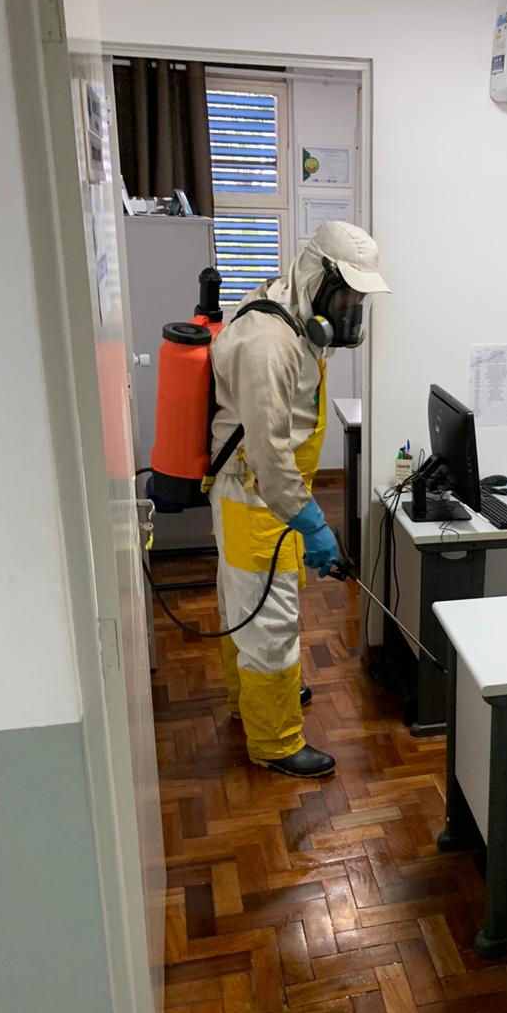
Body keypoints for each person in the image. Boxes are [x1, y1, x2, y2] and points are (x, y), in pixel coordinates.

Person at [208, 221, 389, 777]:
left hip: (272, 497)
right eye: (346, 297)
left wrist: (302, 516)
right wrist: (312, 523)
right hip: (256, 497)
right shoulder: (269, 345)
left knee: (248, 610)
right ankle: (276, 741)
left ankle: (254, 702)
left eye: (358, 301)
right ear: (317, 278)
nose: (350, 311)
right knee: (269, 624)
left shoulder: (290, 316)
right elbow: (268, 457)